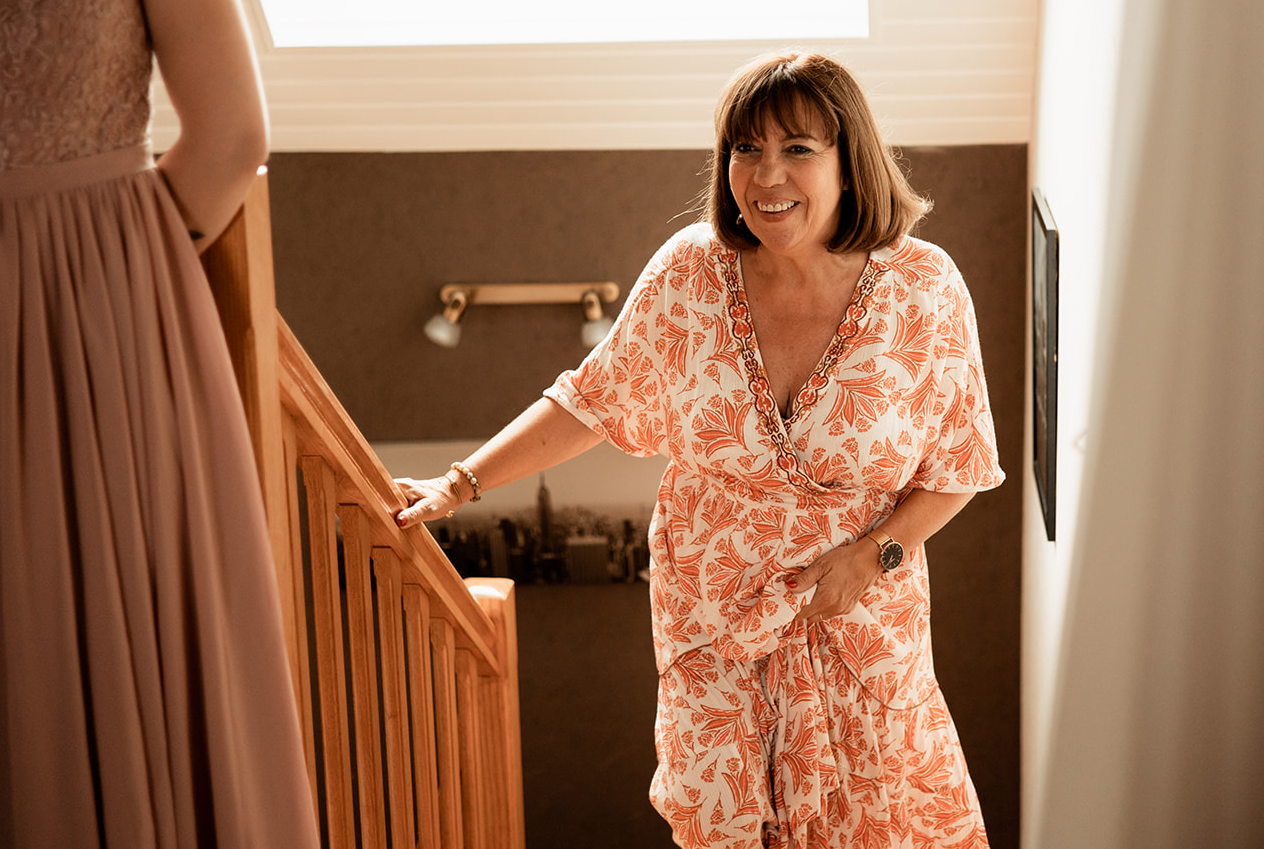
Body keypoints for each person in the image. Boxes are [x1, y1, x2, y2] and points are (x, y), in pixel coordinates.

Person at [397, 50, 1003, 847]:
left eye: (797, 148)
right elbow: (589, 399)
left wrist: (874, 553)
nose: (766, 175)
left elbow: (960, 464)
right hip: (715, 630)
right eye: (746, 148)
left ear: (849, 161)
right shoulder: (689, 275)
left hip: (861, 627)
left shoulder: (924, 289)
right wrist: (459, 483)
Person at [0, 0, 318, 843]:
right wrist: (107, 272)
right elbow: (229, 138)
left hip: (94, 325)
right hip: (103, 312)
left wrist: (102, 282)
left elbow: (233, 141)